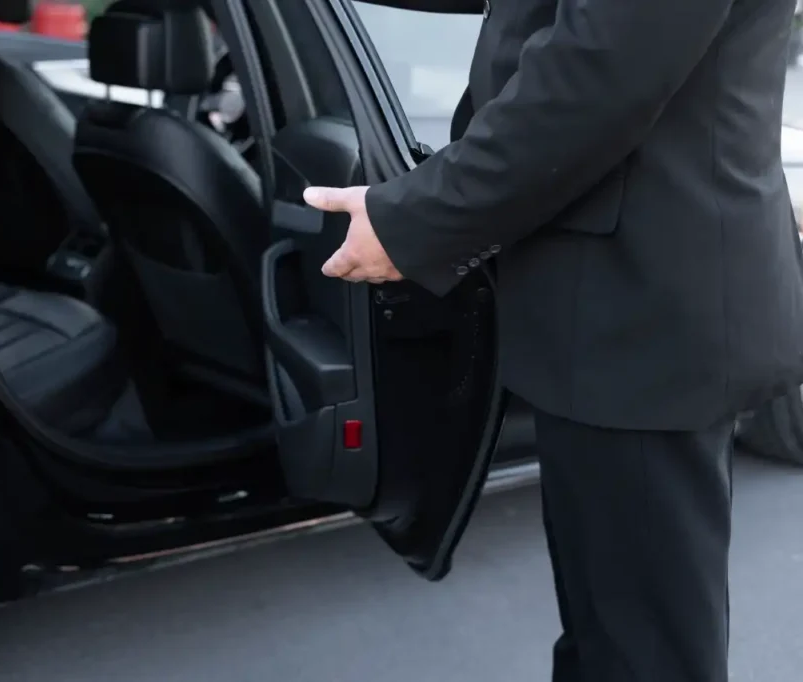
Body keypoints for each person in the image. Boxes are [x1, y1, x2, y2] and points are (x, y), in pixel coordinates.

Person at [303, 0, 803, 680]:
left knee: (641, 657)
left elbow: (596, 74)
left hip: (640, 321)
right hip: (617, 310)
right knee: (605, 641)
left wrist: (412, 224)